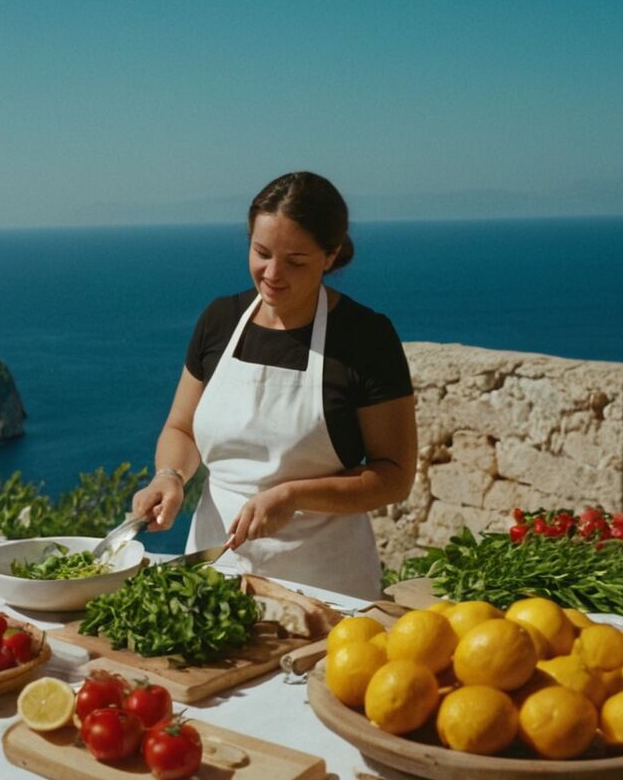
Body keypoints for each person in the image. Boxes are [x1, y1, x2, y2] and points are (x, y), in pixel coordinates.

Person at [132, 171, 417, 599]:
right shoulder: (220, 320)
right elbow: (182, 428)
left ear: (331, 255)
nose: (272, 273)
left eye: (296, 261)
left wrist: (292, 496)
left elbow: (393, 476)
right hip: (214, 574)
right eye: (261, 252)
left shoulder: (366, 339)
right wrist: (170, 476)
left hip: (324, 585)